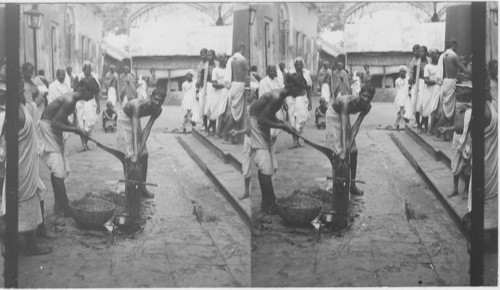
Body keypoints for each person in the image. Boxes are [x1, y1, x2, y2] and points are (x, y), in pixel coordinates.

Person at [0, 83, 51, 256]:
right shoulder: (12, 113)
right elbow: (6, 143)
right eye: (19, 88)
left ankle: (27, 244)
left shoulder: (21, 106)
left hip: (25, 165)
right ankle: (15, 247)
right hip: (19, 168)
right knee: (19, 203)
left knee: (34, 195)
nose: (22, 90)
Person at [39, 77, 100, 216]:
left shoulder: (73, 100)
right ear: (84, 89)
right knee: (58, 168)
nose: (92, 97)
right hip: (48, 128)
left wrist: (74, 126)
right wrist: (76, 130)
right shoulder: (70, 100)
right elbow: (55, 123)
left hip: (52, 127)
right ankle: (64, 205)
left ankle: (60, 204)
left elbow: (61, 118)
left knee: (59, 168)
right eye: (92, 94)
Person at [249, 73, 307, 214]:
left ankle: (267, 202)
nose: (301, 93)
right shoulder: (277, 97)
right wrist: (282, 126)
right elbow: (263, 119)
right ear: (292, 86)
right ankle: (271, 202)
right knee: (264, 165)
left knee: (268, 163)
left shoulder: (281, 97)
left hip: (260, 124)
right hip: (255, 124)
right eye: (299, 90)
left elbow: (270, 115)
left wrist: (283, 123)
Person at [326, 84, 376, 196]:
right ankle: (337, 186)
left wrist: (349, 146)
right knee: (338, 152)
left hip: (345, 116)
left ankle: (352, 185)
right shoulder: (346, 102)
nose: (366, 99)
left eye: (369, 97)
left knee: (353, 151)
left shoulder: (367, 107)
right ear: (359, 93)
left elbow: (356, 126)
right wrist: (344, 150)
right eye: (364, 96)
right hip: (333, 116)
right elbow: (343, 127)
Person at [116, 88, 167, 198]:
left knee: (144, 154)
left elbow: (147, 128)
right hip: (125, 119)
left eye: (160, 101)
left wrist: (140, 148)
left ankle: (142, 187)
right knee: (129, 156)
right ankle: (128, 188)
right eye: (156, 99)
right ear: (150, 96)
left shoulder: (158, 110)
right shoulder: (137, 105)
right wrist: (135, 153)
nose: (157, 103)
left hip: (136, 120)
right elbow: (134, 130)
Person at [466, 87, 497, 230]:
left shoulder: (481, 111)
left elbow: (473, 135)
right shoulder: (493, 107)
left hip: (483, 159)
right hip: (492, 159)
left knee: (480, 196)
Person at [437, 85, 472, 198]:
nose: (458, 100)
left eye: (461, 98)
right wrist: (447, 129)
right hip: (457, 138)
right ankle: (456, 189)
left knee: (467, 164)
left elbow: (463, 127)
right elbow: (457, 126)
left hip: (466, 139)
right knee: (455, 164)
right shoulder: (458, 110)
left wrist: (448, 129)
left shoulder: (470, 112)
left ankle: (466, 190)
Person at [227, 89, 261, 200]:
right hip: (249, 139)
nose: (247, 95)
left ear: (254, 94)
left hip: (255, 139)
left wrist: (237, 132)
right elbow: (247, 129)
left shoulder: (256, 108)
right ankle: (247, 191)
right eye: (247, 94)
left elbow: (249, 129)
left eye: (249, 93)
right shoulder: (249, 108)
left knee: (261, 165)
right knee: (246, 166)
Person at [434, 38, 471, 141]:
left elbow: (452, 71)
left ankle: (444, 134)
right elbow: (464, 69)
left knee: (449, 110)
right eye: (456, 46)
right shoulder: (453, 56)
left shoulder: (445, 55)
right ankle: (437, 133)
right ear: (454, 45)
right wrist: (472, 74)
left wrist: (460, 74)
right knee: (447, 112)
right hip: (450, 83)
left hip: (447, 82)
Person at [221, 42, 250, 141]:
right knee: (236, 115)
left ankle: (230, 135)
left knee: (233, 112)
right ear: (241, 48)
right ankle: (225, 133)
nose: (244, 51)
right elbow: (248, 72)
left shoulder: (232, 60)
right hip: (239, 86)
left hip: (233, 85)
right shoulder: (242, 60)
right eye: (244, 49)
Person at [285, 57, 312, 149]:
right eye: (297, 65)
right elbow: (285, 88)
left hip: (302, 99)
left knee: (301, 121)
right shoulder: (290, 74)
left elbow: (308, 89)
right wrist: (284, 101)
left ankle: (297, 140)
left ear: (303, 65)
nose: (299, 66)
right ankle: (295, 141)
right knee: (293, 121)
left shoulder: (306, 75)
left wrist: (310, 101)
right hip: (292, 100)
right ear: (295, 65)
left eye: (301, 65)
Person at [74, 62, 101, 152]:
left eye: (89, 69)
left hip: (90, 102)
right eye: (85, 69)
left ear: (91, 70)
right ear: (83, 70)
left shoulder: (94, 79)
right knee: (81, 124)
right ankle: (83, 144)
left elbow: (97, 93)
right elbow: (74, 92)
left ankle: (86, 143)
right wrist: (74, 105)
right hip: (80, 103)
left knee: (90, 124)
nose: (87, 71)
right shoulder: (79, 78)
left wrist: (98, 106)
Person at [208, 53, 231, 137]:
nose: (225, 60)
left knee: (225, 112)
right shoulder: (215, 70)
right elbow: (214, 84)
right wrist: (223, 86)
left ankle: (220, 131)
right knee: (215, 112)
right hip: (217, 93)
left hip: (226, 92)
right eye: (223, 58)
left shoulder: (229, 70)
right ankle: (213, 131)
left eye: (226, 58)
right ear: (219, 60)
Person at [420, 48, 440, 134]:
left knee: (436, 109)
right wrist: (436, 82)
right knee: (426, 109)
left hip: (438, 90)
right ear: (431, 56)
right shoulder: (427, 67)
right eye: (435, 54)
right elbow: (426, 81)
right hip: (429, 90)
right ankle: (424, 127)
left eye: (438, 54)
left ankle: (433, 128)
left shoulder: (440, 66)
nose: (437, 56)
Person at [197, 49, 216, 133]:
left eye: (210, 55)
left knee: (214, 106)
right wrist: (199, 90)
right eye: (207, 55)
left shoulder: (217, 65)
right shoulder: (204, 66)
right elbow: (201, 79)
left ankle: (212, 126)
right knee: (205, 107)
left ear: (214, 56)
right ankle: (205, 125)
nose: (208, 57)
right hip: (207, 86)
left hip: (216, 87)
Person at [412, 45, 429, 133]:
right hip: (420, 84)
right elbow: (414, 76)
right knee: (418, 106)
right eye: (420, 52)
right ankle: (419, 125)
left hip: (428, 85)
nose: (421, 53)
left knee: (426, 105)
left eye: (423, 52)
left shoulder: (429, 62)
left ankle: (424, 125)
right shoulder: (417, 63)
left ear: (426, 52)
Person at [393, 66, 410, 131]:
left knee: (406, 110)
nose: (401, 73)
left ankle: (406, 126)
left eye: (403, 71)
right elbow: (396, 90)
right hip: (399, 97)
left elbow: (410, 88)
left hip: (406, 96)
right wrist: (397, 98)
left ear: (405, 72)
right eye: (400, 71)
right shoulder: (397, 80)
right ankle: (397, 124)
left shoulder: (408, 79)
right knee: (398, 111)